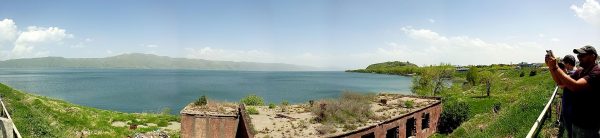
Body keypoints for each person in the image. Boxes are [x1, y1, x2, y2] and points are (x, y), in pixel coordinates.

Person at [546, 45, 600, 138]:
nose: (579, 58)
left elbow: (576, 86)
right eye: (578, 56)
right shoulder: (580, 72)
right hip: (576, 121)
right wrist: (551, 67)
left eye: (582, 55)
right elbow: (561, 83)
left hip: (589, 125)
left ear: (593, 56)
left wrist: (555, 67)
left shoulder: (596, 71)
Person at [557, 55, 577, 138]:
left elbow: (561, 85)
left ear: (568, 64)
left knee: (571, 132)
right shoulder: (578, 71)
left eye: (564, 63)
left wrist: (554, 69)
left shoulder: (573, 74)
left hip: (570, 107)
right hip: (573, 106)